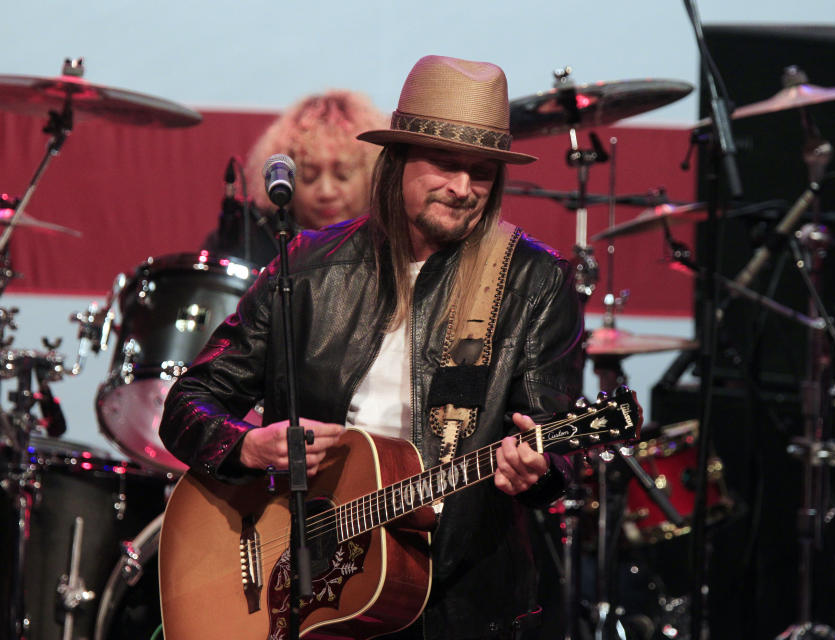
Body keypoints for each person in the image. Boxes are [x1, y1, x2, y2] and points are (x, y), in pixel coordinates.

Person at [160, 55, 603, 639]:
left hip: (459, 606)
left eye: (483, 172)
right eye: (446, 164)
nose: (464, 188)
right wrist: (247, 448)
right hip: (307, 599)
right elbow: (189, 401)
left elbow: (554, 440)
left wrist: (542, 469)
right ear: (395, 161)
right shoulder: (308, 268)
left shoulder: (533, 282)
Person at [203, 90, 387, 266]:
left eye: (342, 175)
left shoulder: (391, 242)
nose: (326, 192)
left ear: (371, 175)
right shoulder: (247, 240)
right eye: (308, 176)